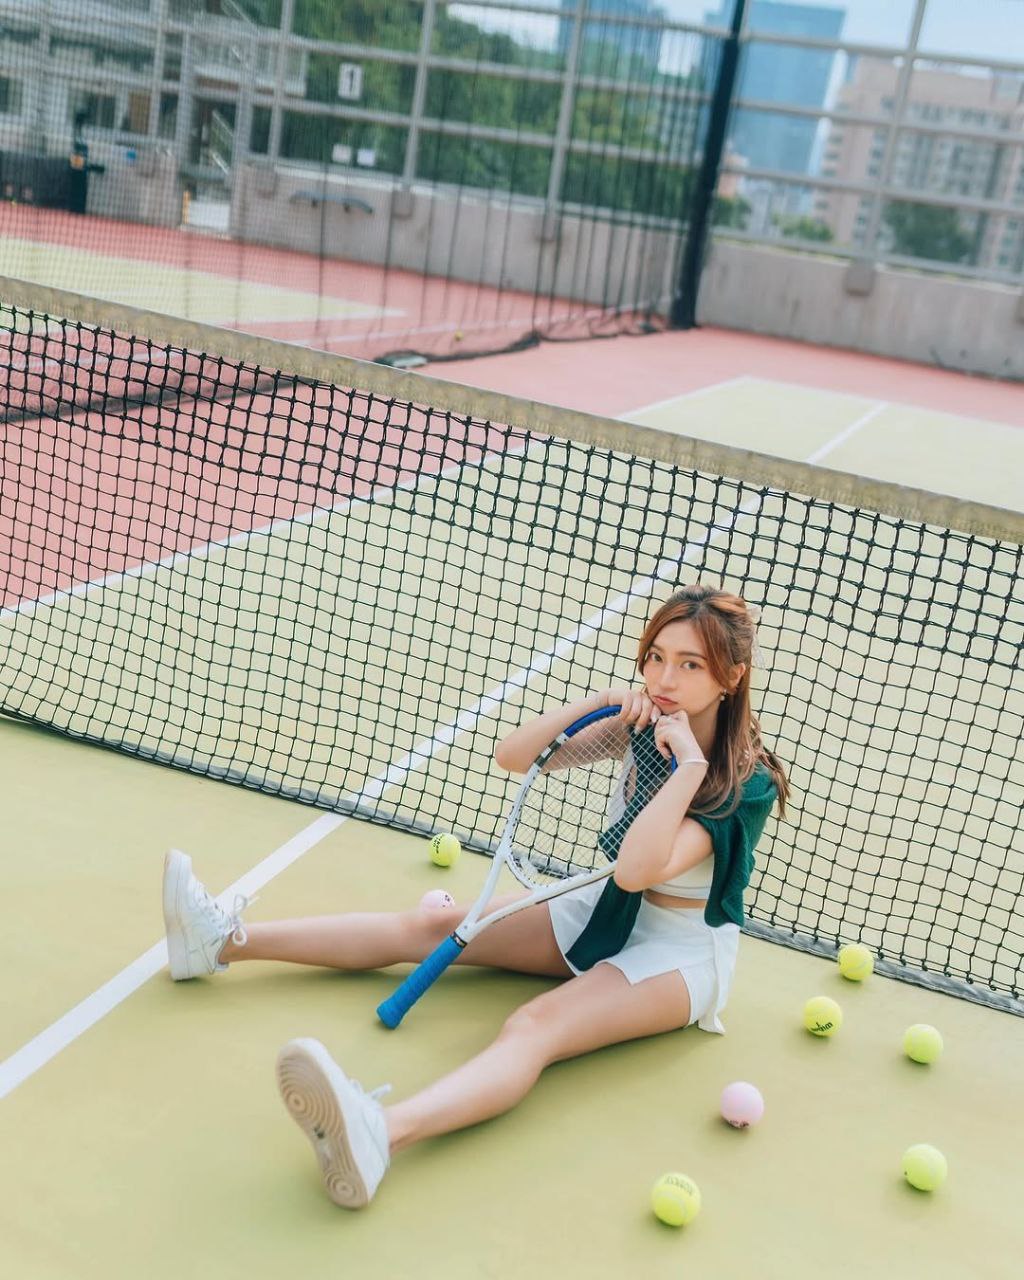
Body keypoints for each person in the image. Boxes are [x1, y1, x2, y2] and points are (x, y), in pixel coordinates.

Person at [162, 582, 789, 1209]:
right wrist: (600, 703)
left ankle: (380, 1134)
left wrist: (689, 768)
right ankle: (218, 942)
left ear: (731, 677)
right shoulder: (642, 729)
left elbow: (636, 870)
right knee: (429, 927)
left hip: (680, 954)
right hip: (608, 911)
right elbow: (514, 756)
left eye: (690, 665)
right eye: (656, 657)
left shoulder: (747, 781)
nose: (664, 678)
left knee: (535, 1026)